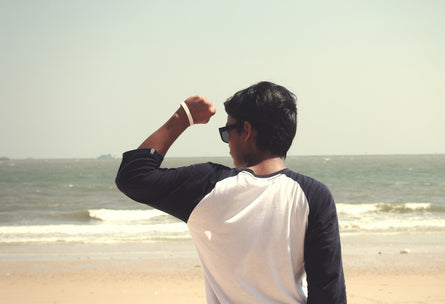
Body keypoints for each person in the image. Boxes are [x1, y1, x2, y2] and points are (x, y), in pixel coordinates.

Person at [115, 81, 347, 303]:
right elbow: (328, 291)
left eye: (227, 132)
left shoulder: (208, 186)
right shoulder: (314, 195)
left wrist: (183, 117)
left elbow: (133, 175)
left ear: (246, 130)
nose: (227, 143)